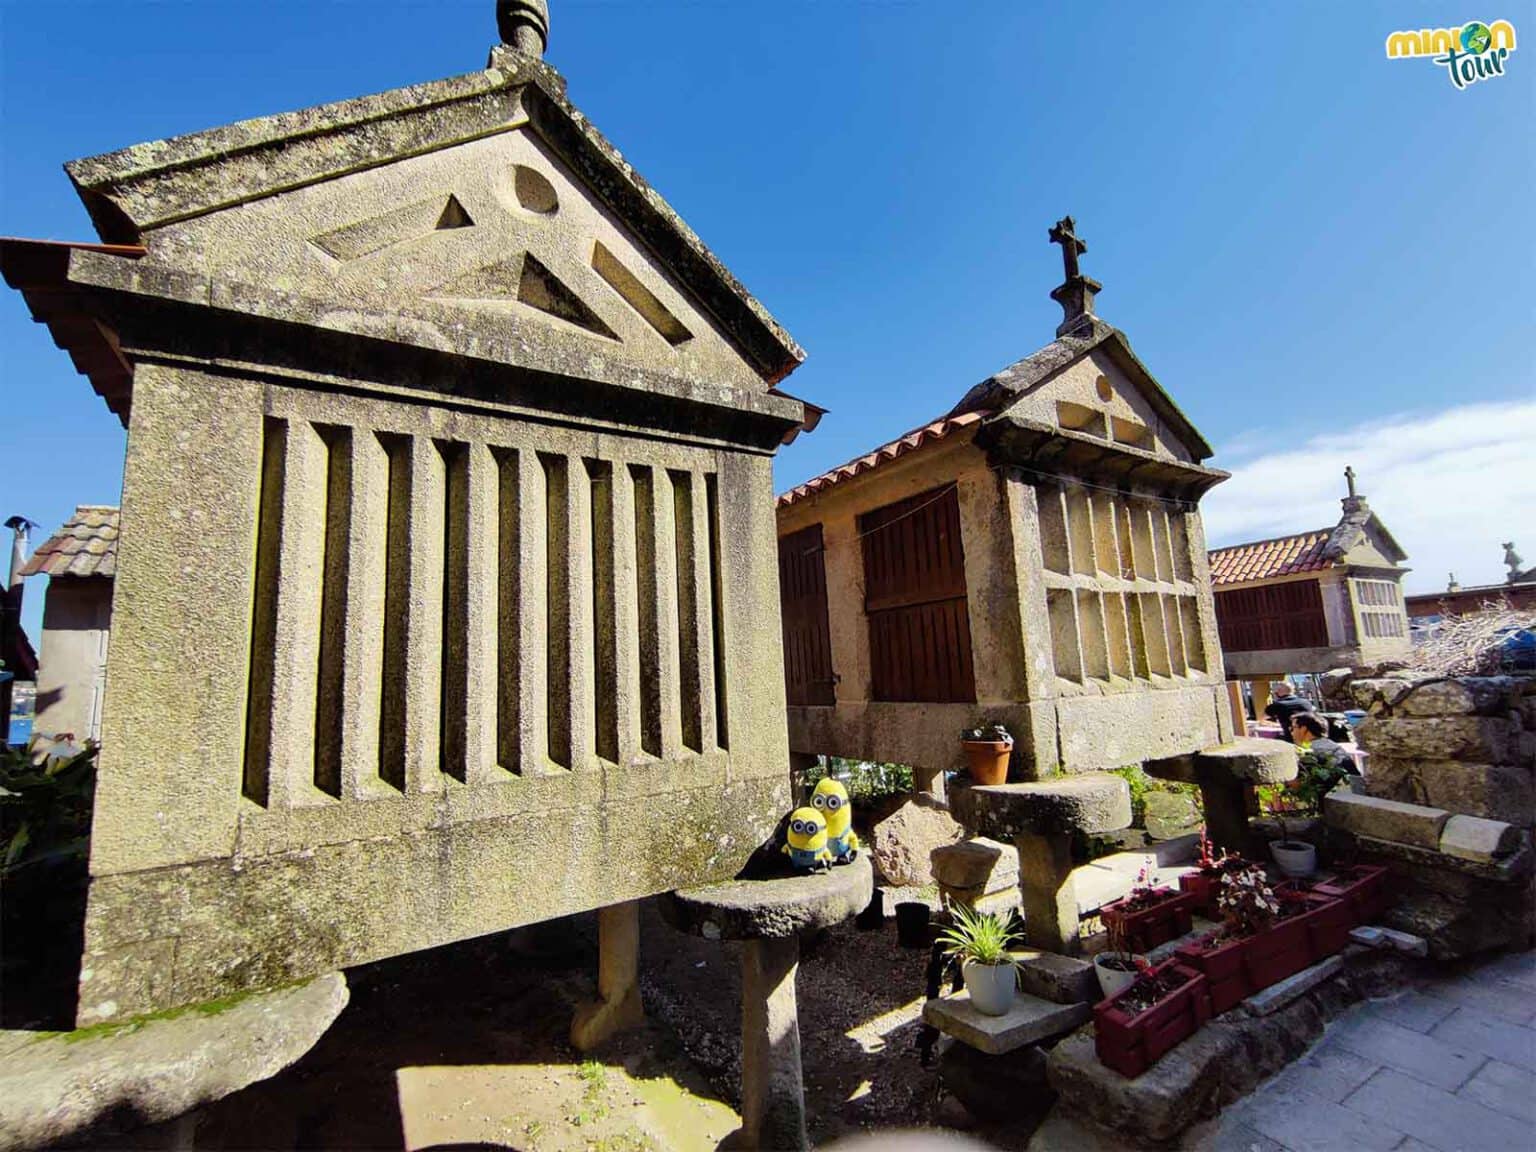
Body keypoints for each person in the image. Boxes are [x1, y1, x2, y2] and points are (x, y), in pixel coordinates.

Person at [1289, 712, 1358, 775]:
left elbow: (1298, 784)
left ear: (1303, 729)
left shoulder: (1309, 753)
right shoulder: (1334, 747)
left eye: (1293, 728)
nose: (1292, 732)